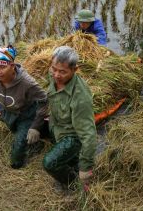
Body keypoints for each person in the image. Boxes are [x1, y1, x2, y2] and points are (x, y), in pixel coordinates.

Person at [0, 46, 48, 169]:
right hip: (7, 111)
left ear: (12, 66)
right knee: (15, 130)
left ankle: (40, 134)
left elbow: (45, 100)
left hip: (26, 115)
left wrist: (35, 127)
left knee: (16, 159)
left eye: (3, 67)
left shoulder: (27, 83)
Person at [43, 46, 97, 192]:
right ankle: (70, 165)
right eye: (54, 69)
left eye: (62, 72)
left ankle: (73, 184)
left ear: (75, 69)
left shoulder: (80, 97)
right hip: (56, 127)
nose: (56, 75)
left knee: (49, 163)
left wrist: (85, 168)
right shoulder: (53, 74)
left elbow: (88, 134)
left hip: (72, 136)